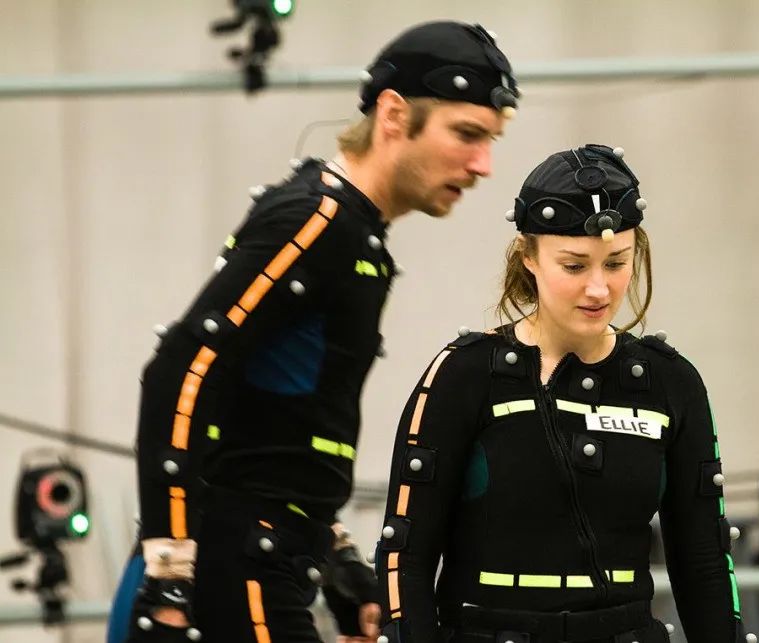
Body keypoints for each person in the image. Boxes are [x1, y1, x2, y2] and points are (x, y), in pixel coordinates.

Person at [116, 20, 520, 643]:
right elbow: (182, 367)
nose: (483, 164)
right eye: (466, 134)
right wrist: (169, 576)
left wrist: (337, 559)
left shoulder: (352, 232)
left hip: (270, 559)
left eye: (491, 140)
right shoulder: (317, 220)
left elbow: (271, 427)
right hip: (240, 566)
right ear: (393, 115)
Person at [374, 144, 747, 643]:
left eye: (616, 263)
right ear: (528, 256)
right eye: (574, 266)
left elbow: (704, 563)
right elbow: (406, 556)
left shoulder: (670, 383)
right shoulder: (465, 375)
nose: (599, 289)